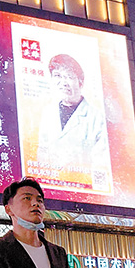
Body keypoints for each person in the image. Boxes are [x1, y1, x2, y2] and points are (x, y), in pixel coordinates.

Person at [35, 54, 111, 183]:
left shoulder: (97, 118)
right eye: (58, 76)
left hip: (82, 186)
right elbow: (42, 152)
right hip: (51, 184)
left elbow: (101, 164)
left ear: (81, 83)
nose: (63, 83)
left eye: (69, 77)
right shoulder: (48, 112)